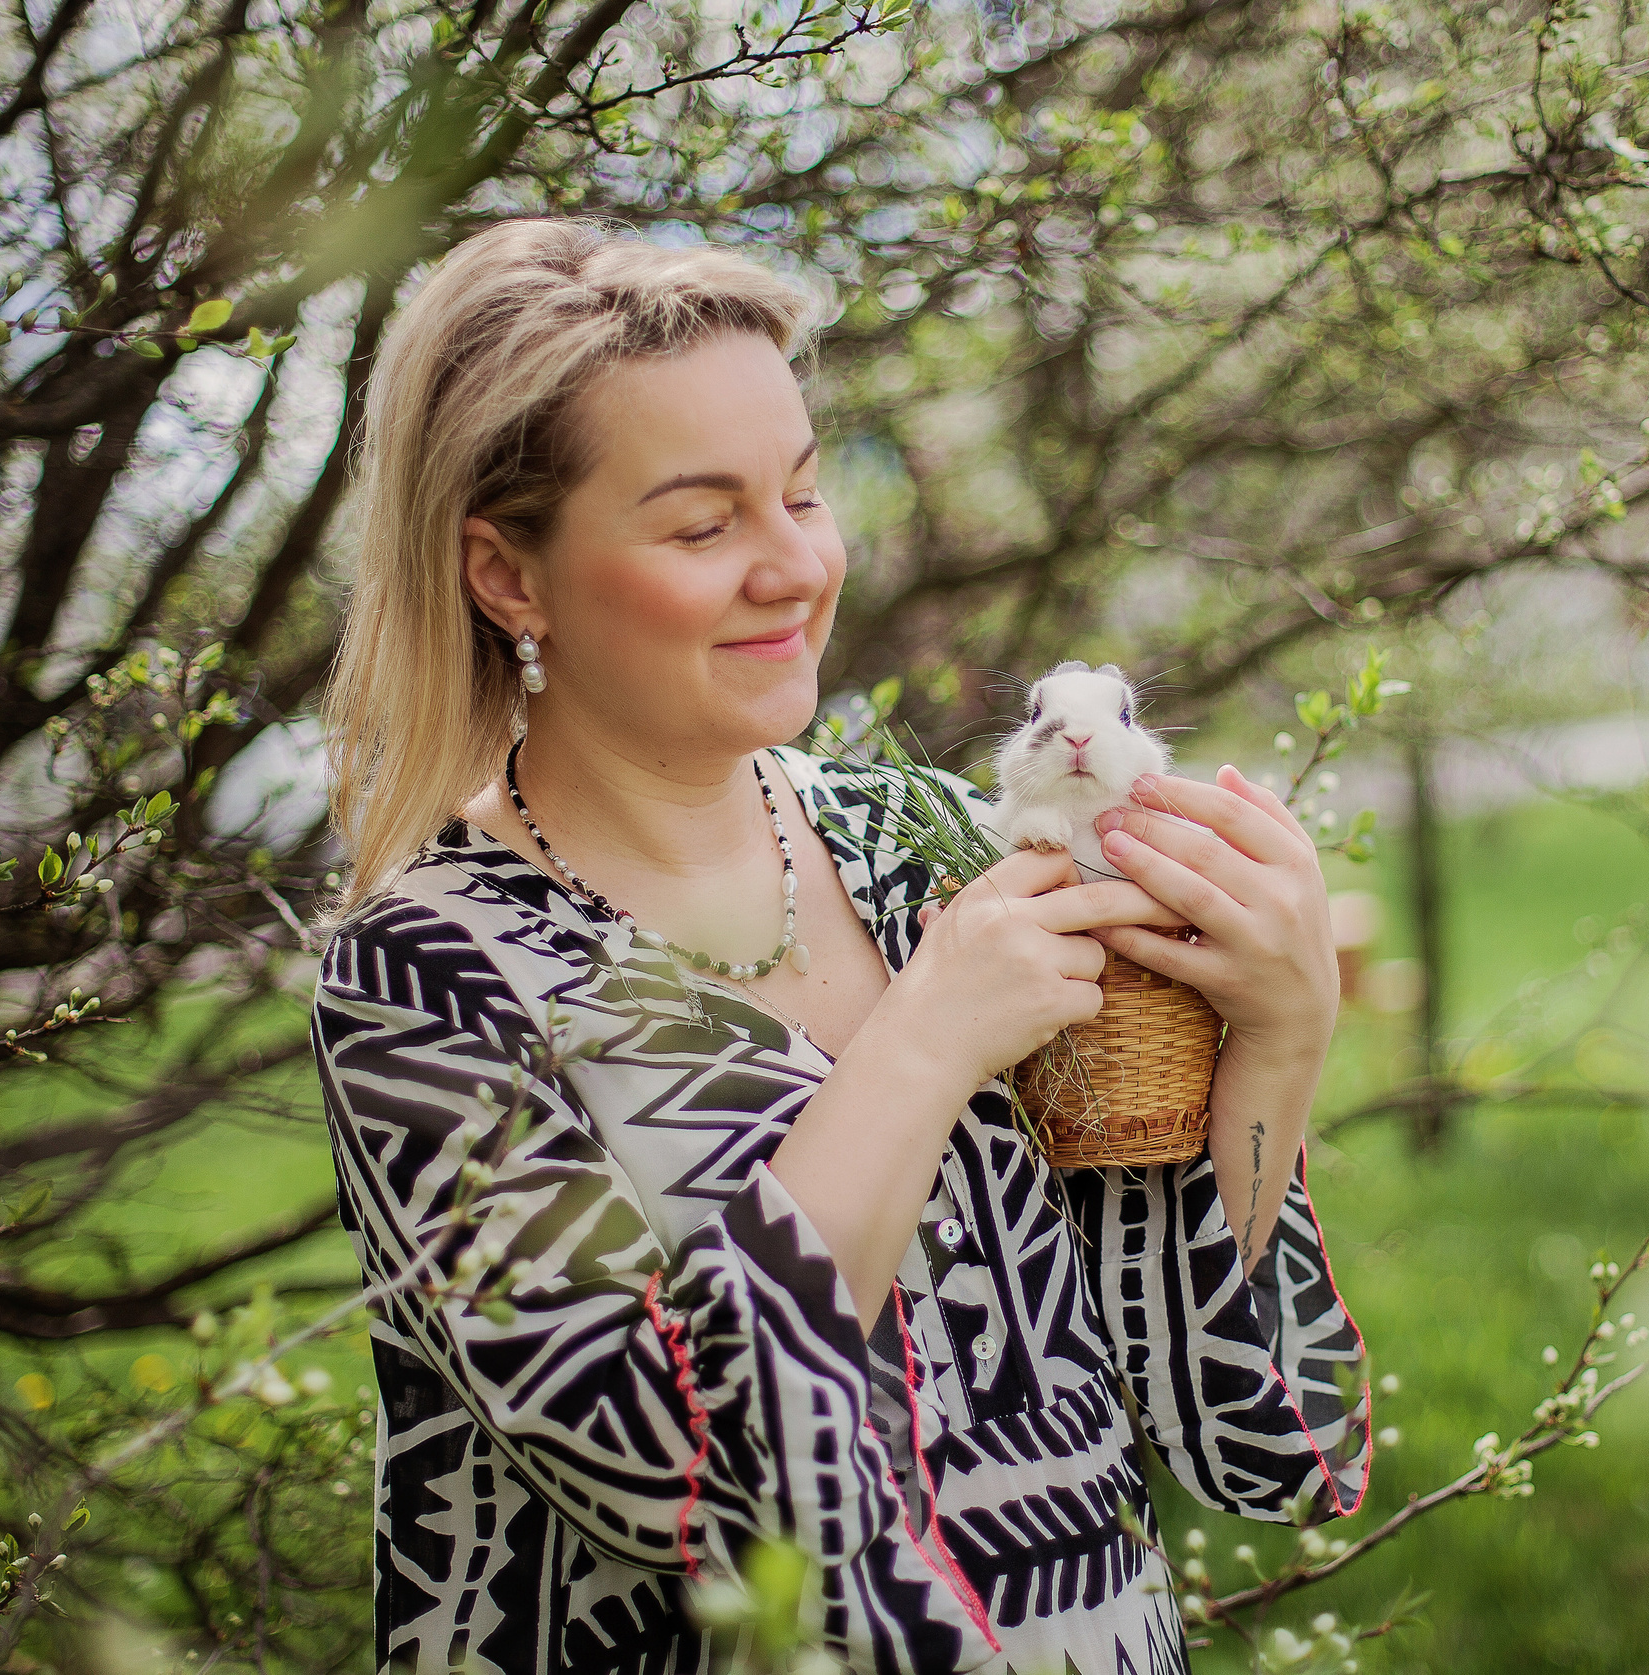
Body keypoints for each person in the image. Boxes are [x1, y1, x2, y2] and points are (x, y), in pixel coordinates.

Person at [313, 217, 1370, 1675]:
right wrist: (925, 1042)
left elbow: (1223, 1421)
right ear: (509, 575)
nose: (795, 569)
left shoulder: (931, 844)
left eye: (805, 495)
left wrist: (1281, 1032)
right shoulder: (431, 978)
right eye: (703, 524)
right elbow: (670, 1472)